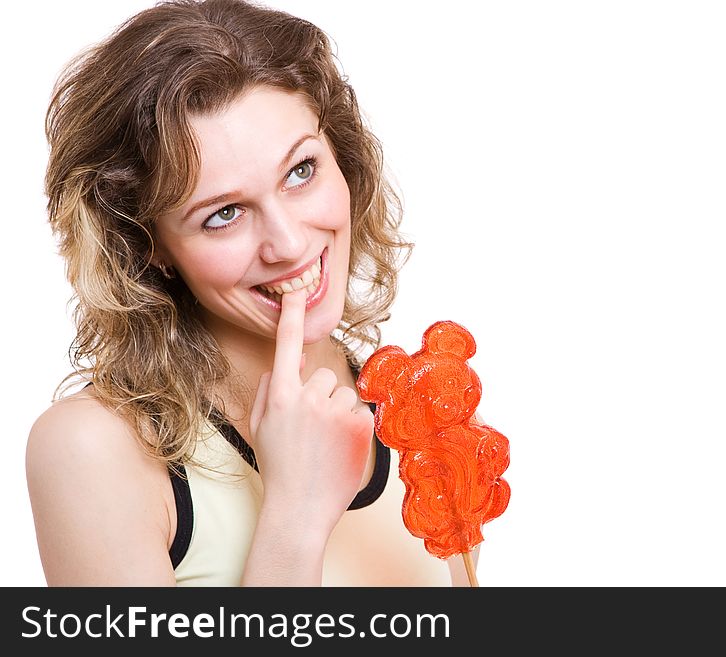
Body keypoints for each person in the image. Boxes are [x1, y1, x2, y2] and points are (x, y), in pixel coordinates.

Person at [26, 0, 476, 586]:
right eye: (225, 214)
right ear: (147, 243)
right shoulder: (94, 451)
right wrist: (295, 515)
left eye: (301, 171)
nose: (288, 245)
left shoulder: (417, 416)